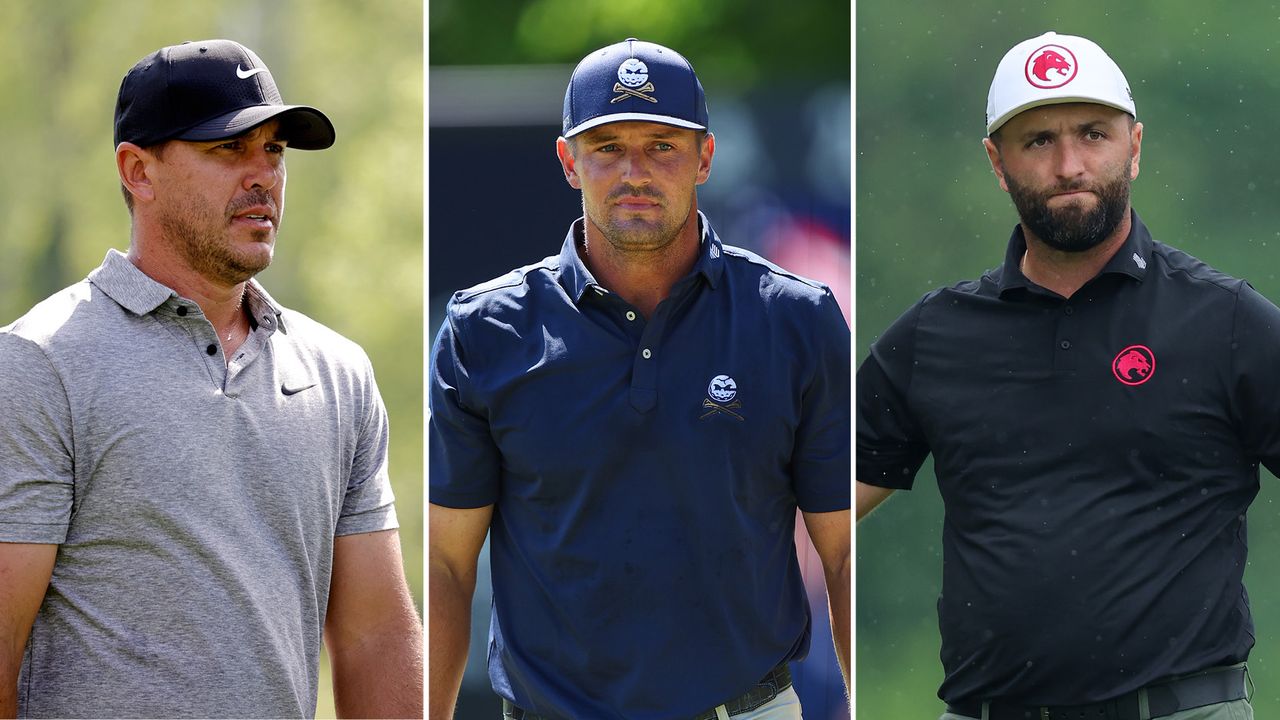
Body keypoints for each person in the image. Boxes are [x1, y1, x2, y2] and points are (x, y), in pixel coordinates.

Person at [857, 30, 1274, 720]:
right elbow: (817, 499)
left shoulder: (1224, 321)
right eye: (1038, 141)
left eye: (1093, 134)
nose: (1070, 164)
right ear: (997, 161)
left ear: (1134, 147)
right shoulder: (936, 334)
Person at [429, 38, 850, 720]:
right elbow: (447, 566)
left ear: (705, 158)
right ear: (569, 161)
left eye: (662, 146)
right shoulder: (485, 330)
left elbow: (843, 554)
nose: (636, 172)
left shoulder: (796, 318)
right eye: (608, 147)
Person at [0, 39, 422, 718]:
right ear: (139, 171)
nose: (264, 176)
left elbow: (374, 635)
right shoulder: (39, 363)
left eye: (275, 151)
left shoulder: (338, 373)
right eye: (228, 150)